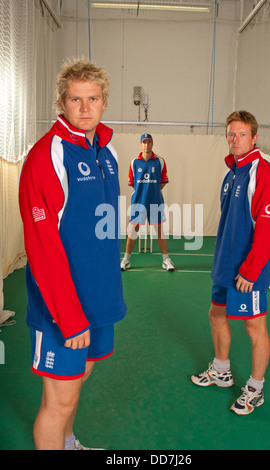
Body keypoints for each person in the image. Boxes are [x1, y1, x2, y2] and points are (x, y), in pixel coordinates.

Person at [18, 58, 127, 449]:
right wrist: (69, 317)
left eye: (92, 98)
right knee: (58, 399)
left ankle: (68, 444)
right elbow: (42, 247)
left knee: (79, 380)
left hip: (96, 299)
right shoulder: (46, 156)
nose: (84, 108)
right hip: (61, 309)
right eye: (75, 99)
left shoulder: (107, 151)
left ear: (104, 101)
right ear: (61, 103)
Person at [191, 110, 270, 415]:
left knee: (255, 328)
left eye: (242, 134)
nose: (235, 139)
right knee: (216, 315)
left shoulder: (263, 173)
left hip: (248, 272)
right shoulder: (232, 173)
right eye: (231, 133)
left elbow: (268, 228)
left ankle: (255, 390)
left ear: (254, 138)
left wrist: (252, 269)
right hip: (225, 266)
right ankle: (221, 371)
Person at [120, 134, 174, 271]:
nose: (146, 145)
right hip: (139, 202)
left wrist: (152, 191)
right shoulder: (134, 162)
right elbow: (133, 184)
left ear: (152, 144)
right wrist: (143, 192)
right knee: (133, 230)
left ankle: (166, 260)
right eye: (144, 142)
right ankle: (126, 260)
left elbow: (163, 182)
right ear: (141, 144)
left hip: (155, 201)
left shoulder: (160, 161)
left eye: (149, 142)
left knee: (160, 231)